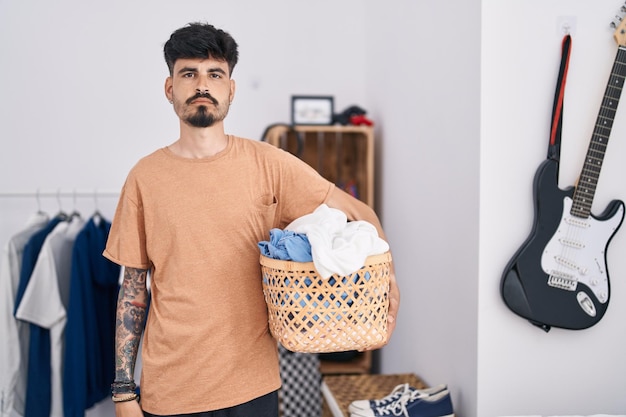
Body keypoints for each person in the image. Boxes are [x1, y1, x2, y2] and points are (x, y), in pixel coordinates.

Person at [103, 22, 400, 417]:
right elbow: (133, 290)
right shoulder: (145, 177)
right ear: (170, 88)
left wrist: (386, 284)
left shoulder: (269, 165)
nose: (202, 85)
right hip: (171, 390)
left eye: (215, 74)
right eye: (188, 73)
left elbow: (359, 213)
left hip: (253, 388)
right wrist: (124, 392)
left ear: (231, 89)